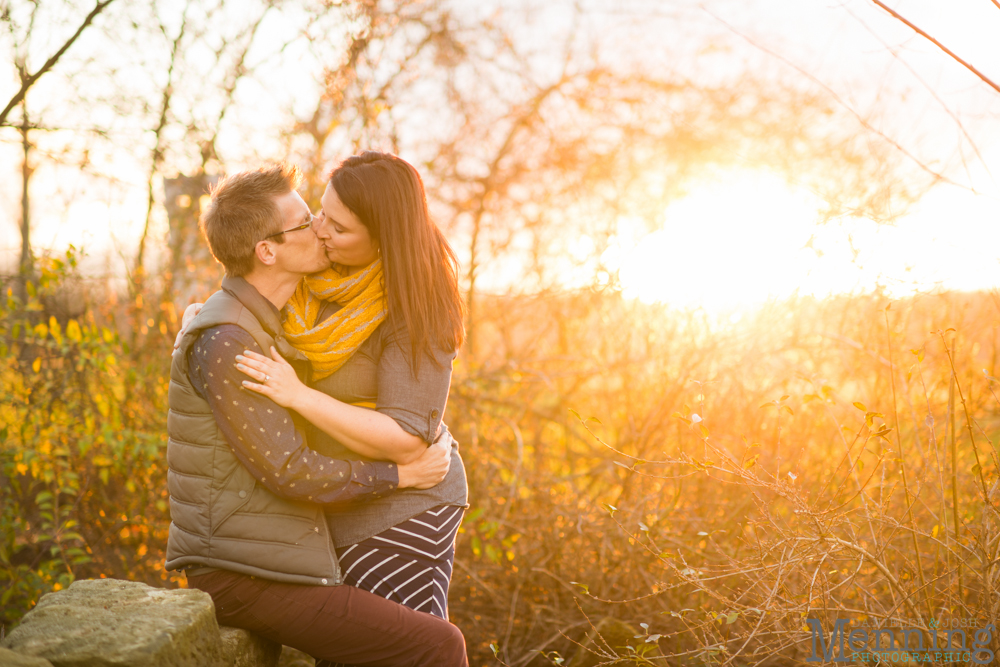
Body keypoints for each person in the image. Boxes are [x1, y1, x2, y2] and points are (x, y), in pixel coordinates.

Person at [165, 163, 468, 666]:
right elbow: (289, 468)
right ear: (269, 248)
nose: (320, 232)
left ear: (379, 236)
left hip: (394, 510)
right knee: (422, 646)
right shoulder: (251, 328)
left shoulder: (406, 303)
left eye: (332, 224)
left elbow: (410, 437)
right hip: (270, 550)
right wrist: (205, 323)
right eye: (310, 219)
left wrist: (400, 472)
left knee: (411, 643)